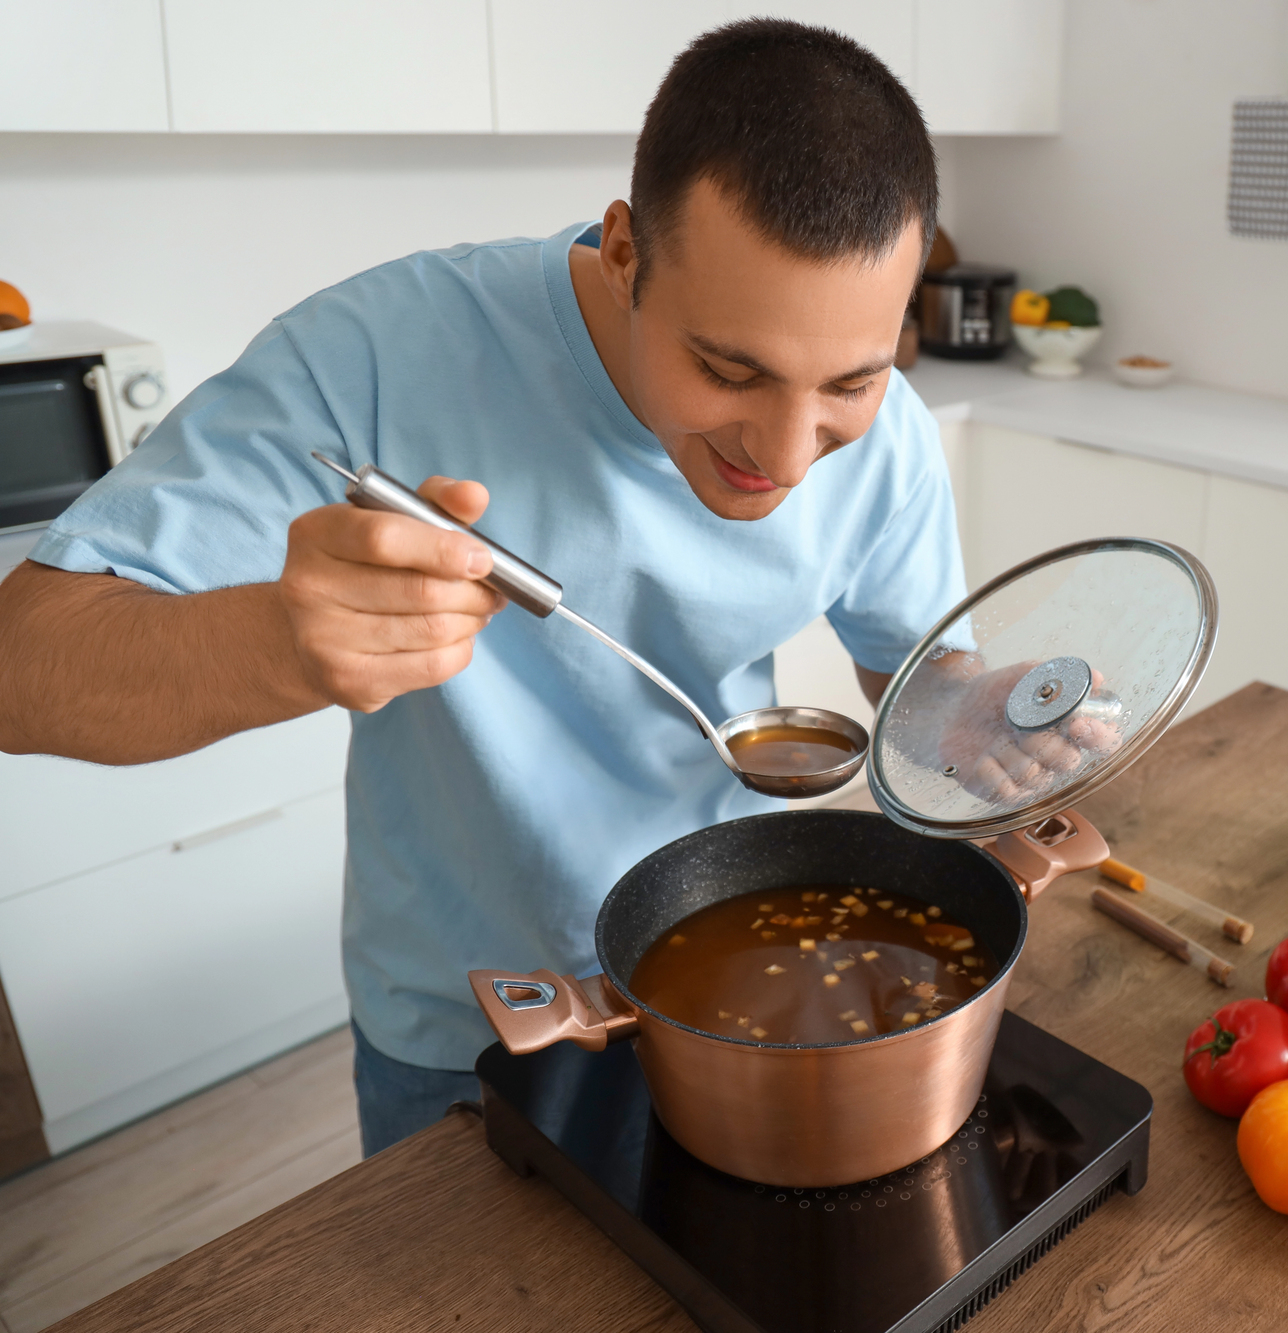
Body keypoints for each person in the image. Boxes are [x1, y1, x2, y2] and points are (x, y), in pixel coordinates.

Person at [0, 20, 981, 1156]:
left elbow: (912, 671)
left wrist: (977, 714)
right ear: (624, 252)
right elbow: (24, 667)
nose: (794, 452)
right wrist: (277, 642)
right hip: (468, 1030)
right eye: (729, 369)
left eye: (849, 384)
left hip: (736, 970)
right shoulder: (376, 355)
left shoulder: (888, 431)